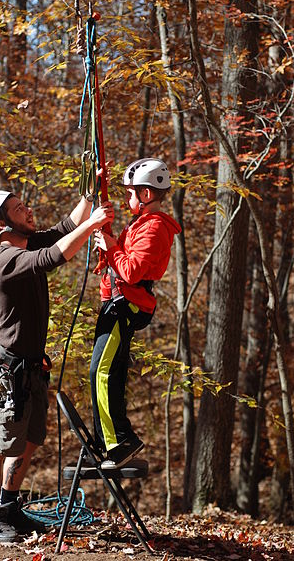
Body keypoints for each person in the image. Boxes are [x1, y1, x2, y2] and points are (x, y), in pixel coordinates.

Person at [0, 189, 113, 543]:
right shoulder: (3, 259)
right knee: (0, 443)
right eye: (20, 209)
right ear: (3, 225)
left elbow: (67, 226)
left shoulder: (28, 242)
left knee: (31, 440)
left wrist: (89, 194)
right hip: (8, 370)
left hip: (33, 366)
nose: (29, 210)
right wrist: (95, 222)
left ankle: (9, 507)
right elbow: (55, 255)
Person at [90, 158, 181, 469]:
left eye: (130, 194)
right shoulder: (140, 225)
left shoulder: (155, 227)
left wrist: (112, 246)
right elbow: (121, 260)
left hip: (124, 305)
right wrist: (108, 241)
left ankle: (116, 443)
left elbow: (130, 270)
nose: (127, 199)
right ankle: (114, 439)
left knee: (100, 373)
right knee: (109, 372)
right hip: (117, 302)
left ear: (145, 195)